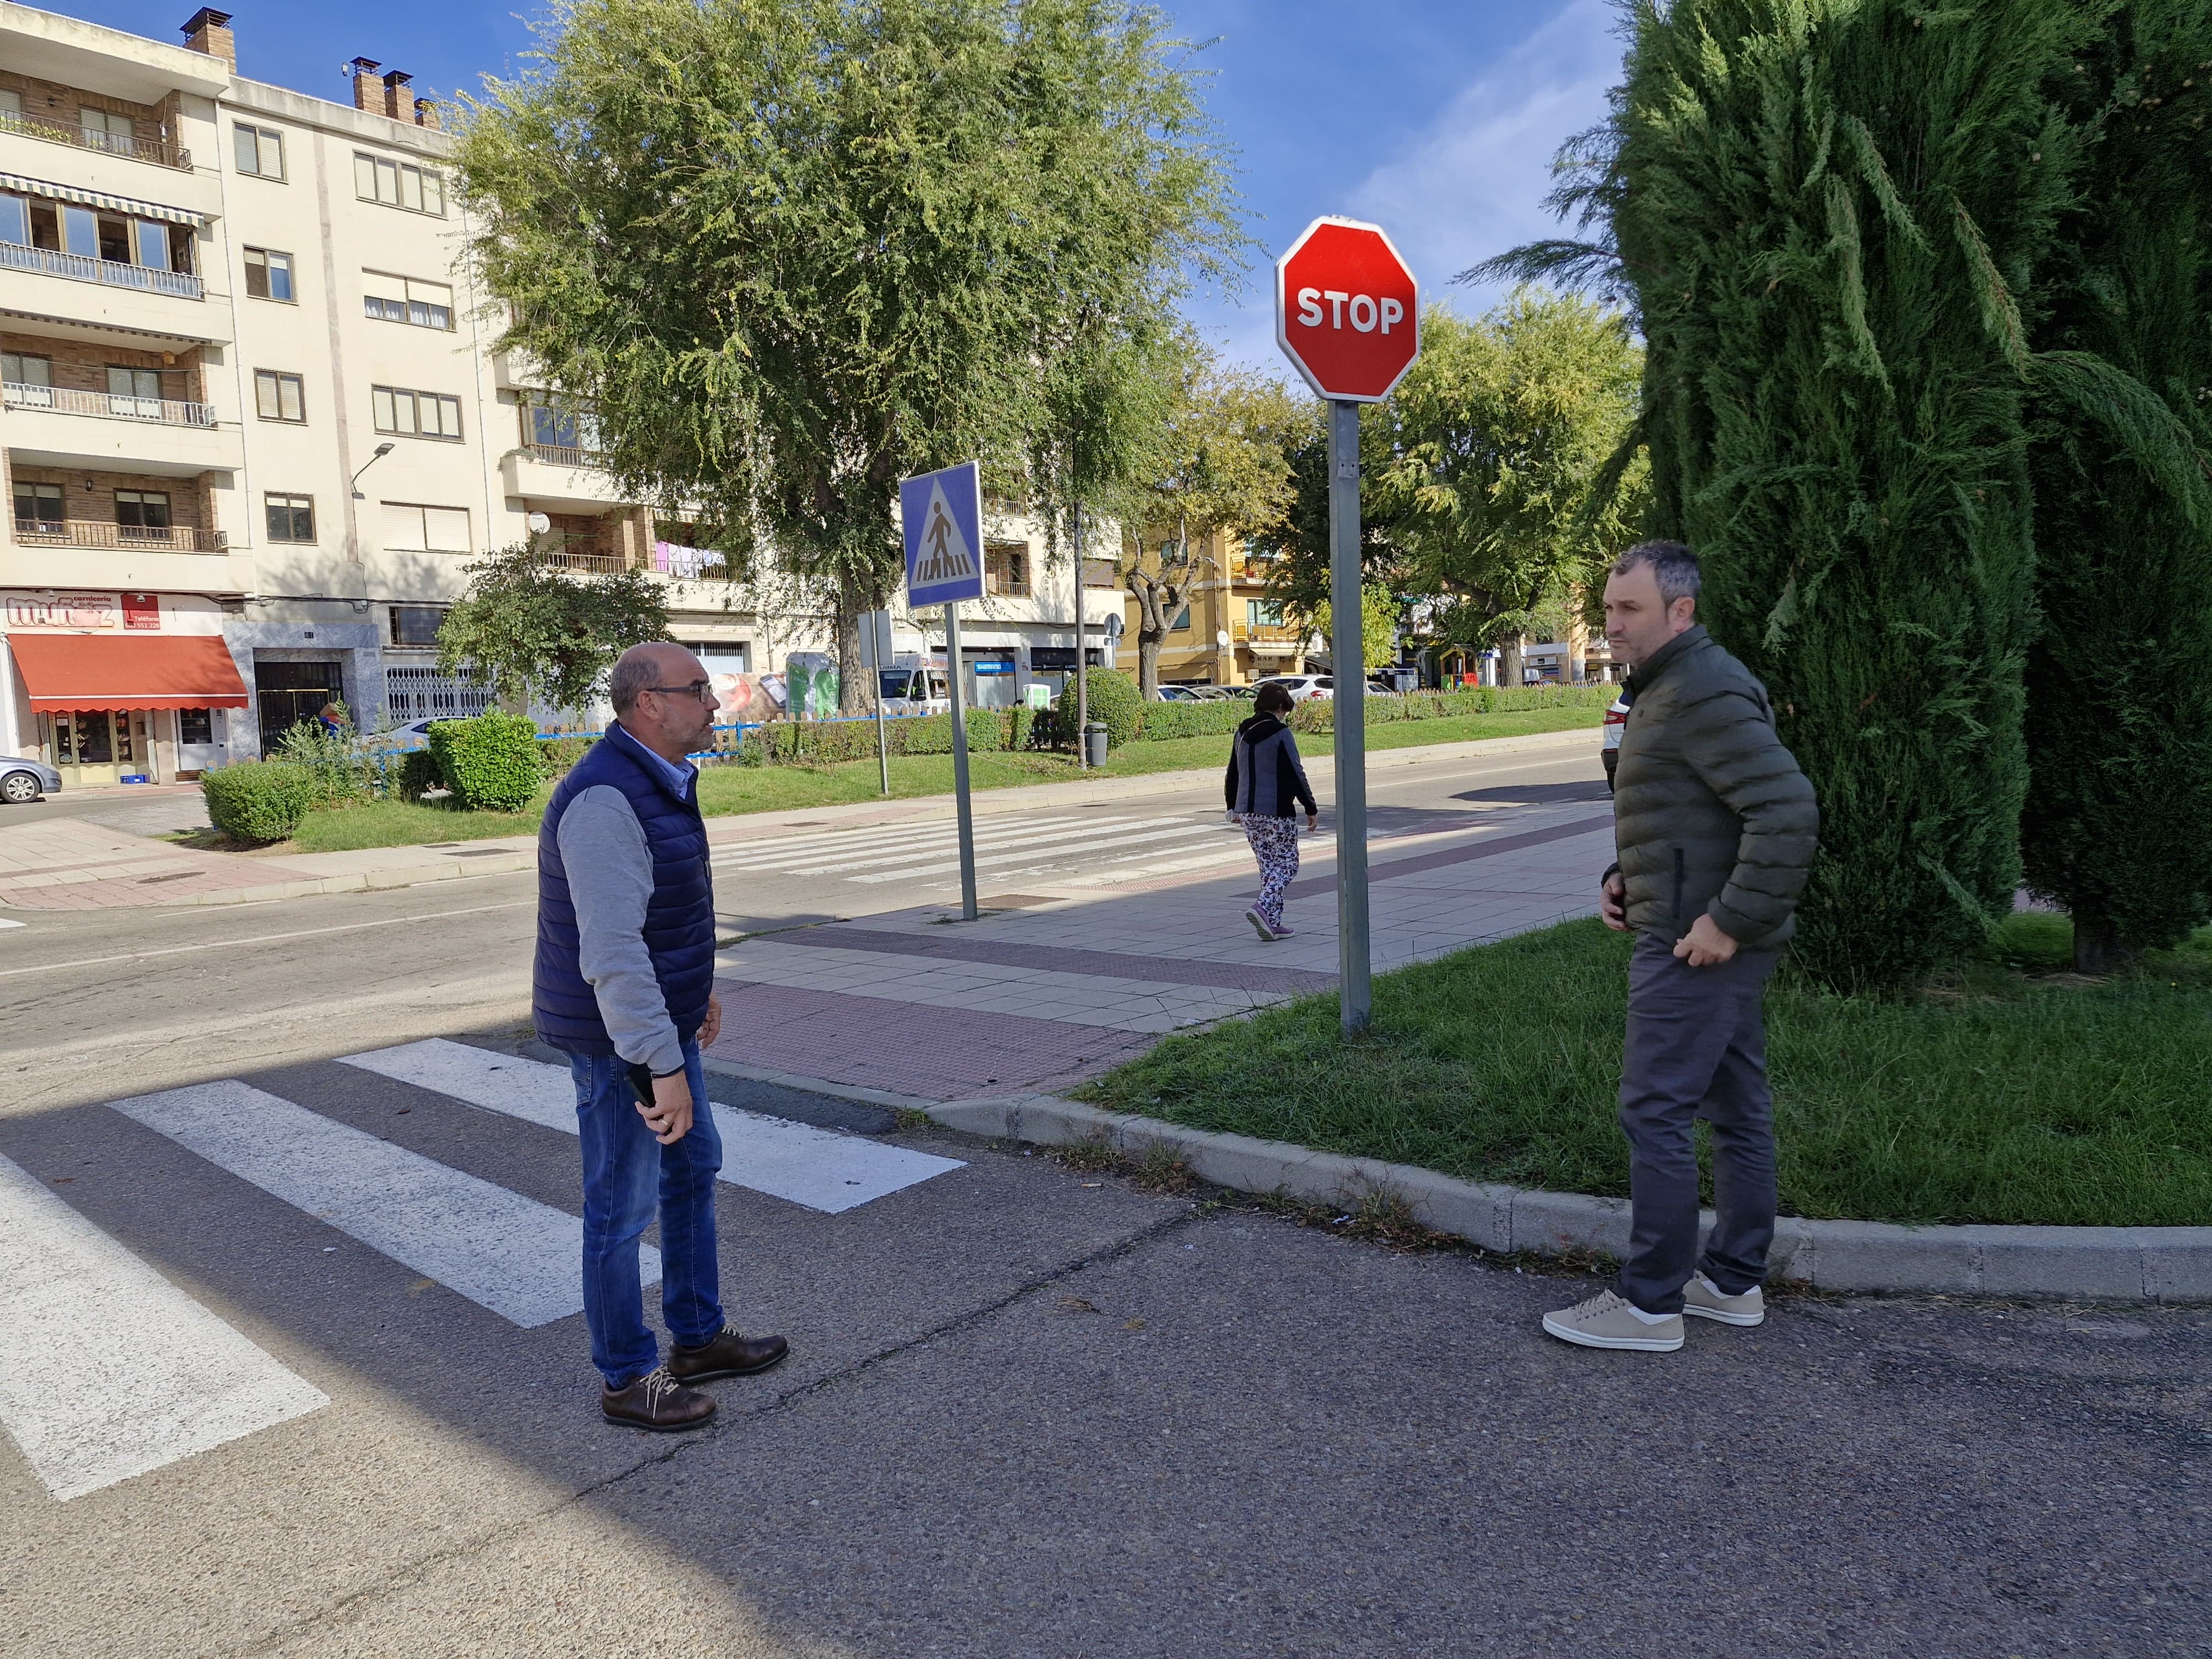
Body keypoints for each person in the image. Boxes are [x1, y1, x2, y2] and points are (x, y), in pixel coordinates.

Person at [1543, 541, 1819, 1354]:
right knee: (1736, 1109)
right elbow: (1692, 812)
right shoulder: (1668, 690)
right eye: (1608, 608)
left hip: (1698, 942)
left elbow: (1788, 812)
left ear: (1681, 612)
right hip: (1688, 919)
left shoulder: (1700, 689)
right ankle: (1731, 1284)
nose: (1612, 624)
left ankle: (1650, 1305)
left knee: (1653, 1110)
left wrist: (1727, 921)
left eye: (1629, 610)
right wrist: (1624, 874)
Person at [535, 641, 787, 1429]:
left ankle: (699, 1336)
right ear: (648, 703)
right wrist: (657, 1061)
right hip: (620, 1042)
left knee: (692, 1168)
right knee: (622, 1204)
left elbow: (662, 916)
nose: (715, 703)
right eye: (698, 689)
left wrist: (696, 992)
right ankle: (626, 1377)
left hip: (659, 1023)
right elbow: (611, 954)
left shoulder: (659, 781)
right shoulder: (607, 799)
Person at [1225, 681, 1319, 941]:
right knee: (1288, 863)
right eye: (1284, 710)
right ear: (1279, 707)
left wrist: (1232, 806)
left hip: (1248, 811)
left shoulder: (1242, 732)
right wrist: (1310, 807)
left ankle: (1272, 923)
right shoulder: (1281, 732)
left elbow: (1233, 772)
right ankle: (1263, 907)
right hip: (1276, 810)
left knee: (1268, 866)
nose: (1284, 715)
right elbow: (1295, 772)